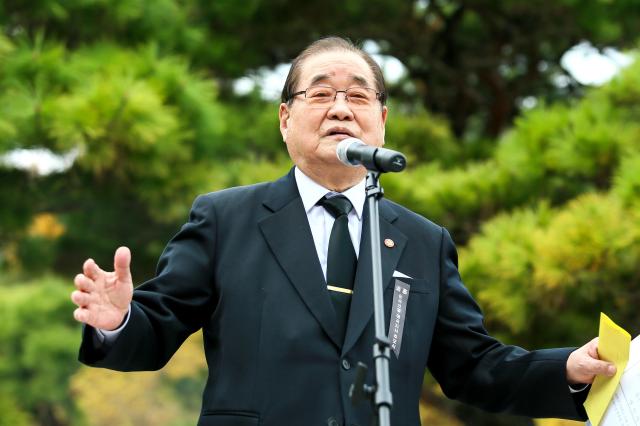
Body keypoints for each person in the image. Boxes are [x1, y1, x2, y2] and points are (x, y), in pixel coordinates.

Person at [71, 37, 614, 426]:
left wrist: (566, 367)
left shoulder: (422, 241)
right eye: (320, 94)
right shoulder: (224, 219)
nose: (340, 109)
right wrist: (119, 320)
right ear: (285, 118)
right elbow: (156, 330)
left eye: (358, 96)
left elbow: (473, 367)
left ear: (382, 120)